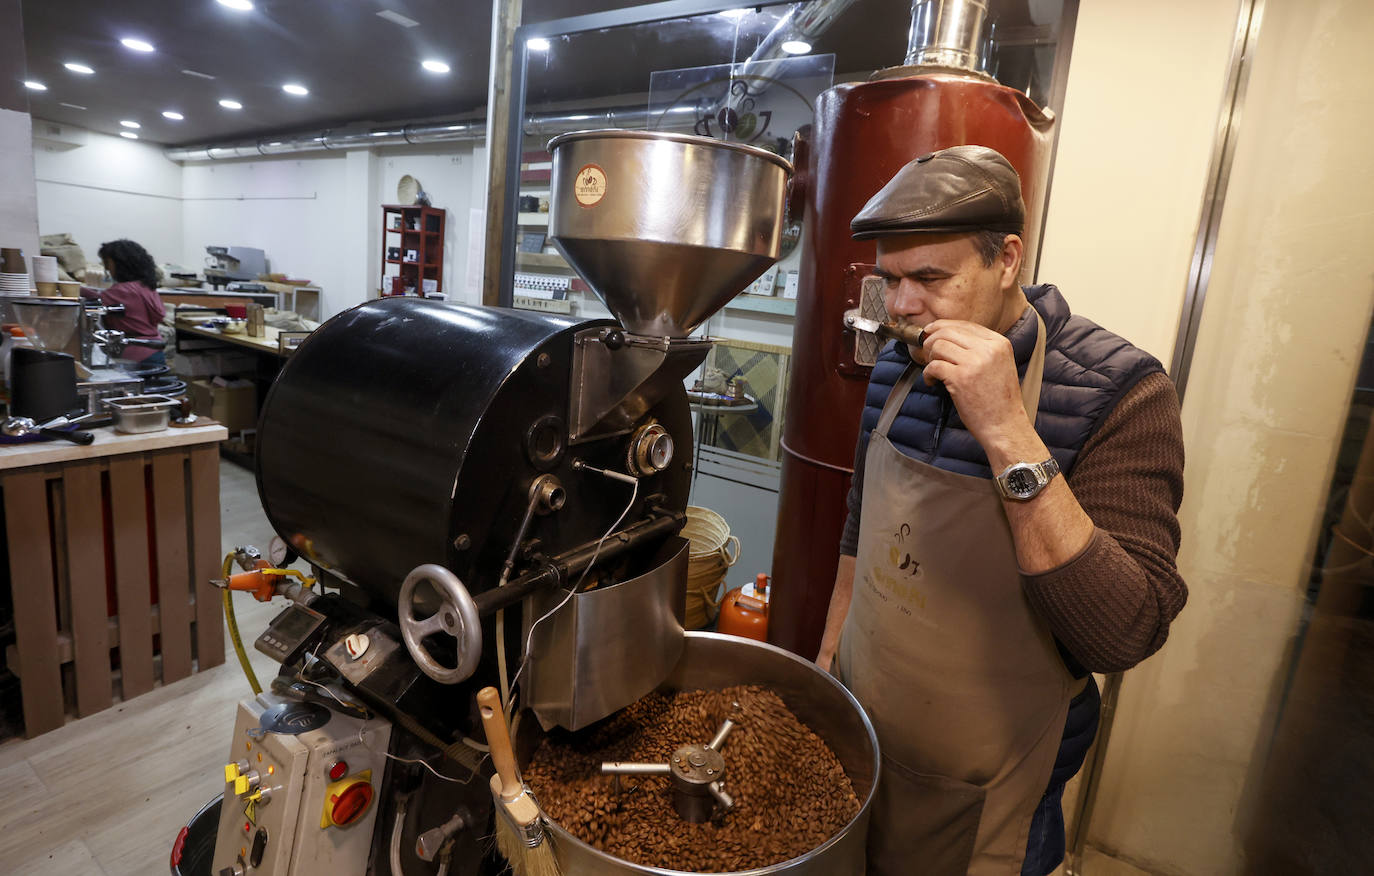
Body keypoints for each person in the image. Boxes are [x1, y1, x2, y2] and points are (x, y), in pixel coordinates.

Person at [814, 146, 1186, 875]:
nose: (901, 306)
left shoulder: (1122, 390)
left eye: (930, 278)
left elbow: (1125, 632)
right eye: (890, 279)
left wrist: (1007, 430)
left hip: (993, 789)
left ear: (1007, 259)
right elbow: (863, 523)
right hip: (865, 744)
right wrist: (829, 665)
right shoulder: (896, 365)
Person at [81, 239, 167, 366]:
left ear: (120, 263)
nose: (106, 268)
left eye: (108, 263)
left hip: (136, 355)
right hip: (154, 350)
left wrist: (76, 289)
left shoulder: (123, 291)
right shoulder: (146, 287)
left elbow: (99, 299)